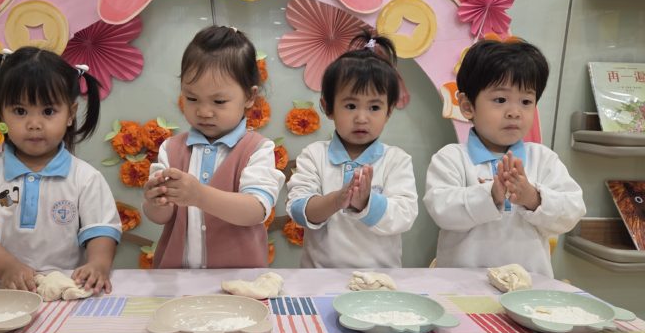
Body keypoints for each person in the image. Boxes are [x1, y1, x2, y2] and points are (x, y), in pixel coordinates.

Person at [0, 47, 121, 293]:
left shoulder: (86, 178)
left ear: (70, 114)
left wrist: (98, 264)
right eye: (20, 111)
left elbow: (101, 230)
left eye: (48, 111)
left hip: (65, 290)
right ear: (0, 112)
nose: (34, 124)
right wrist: (7, 268)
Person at [423, 37, 585, 276]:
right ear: (467, 106)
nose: (514, 112)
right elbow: (442, 211)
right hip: (462, 286)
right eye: (500, 100)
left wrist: (534, 198)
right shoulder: (451, 158)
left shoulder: (544, 159)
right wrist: (490, 195)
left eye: (526, 101)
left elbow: (573, 211)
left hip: (529, 285)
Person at [143, 25, 285, 268]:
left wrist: (199, 195)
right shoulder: (171, 148)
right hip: (178, 279)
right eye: (192, 98)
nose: (204, 111)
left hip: (239, 279)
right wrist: (155, 202)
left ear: (250, 97)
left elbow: (256, 210)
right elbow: (161, 217)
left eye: (219, 101)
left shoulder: (257, 149)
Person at [285, 31, 418, 268]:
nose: (361, 118)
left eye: (374, 107)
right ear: (328, 107)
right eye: (350, 105)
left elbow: (404, 216)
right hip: (319, 278)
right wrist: (337, 200)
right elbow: (298, 209)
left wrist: (366, 202)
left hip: (379, 279)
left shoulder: (396, 160)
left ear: (389, 111)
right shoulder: (314, 155)